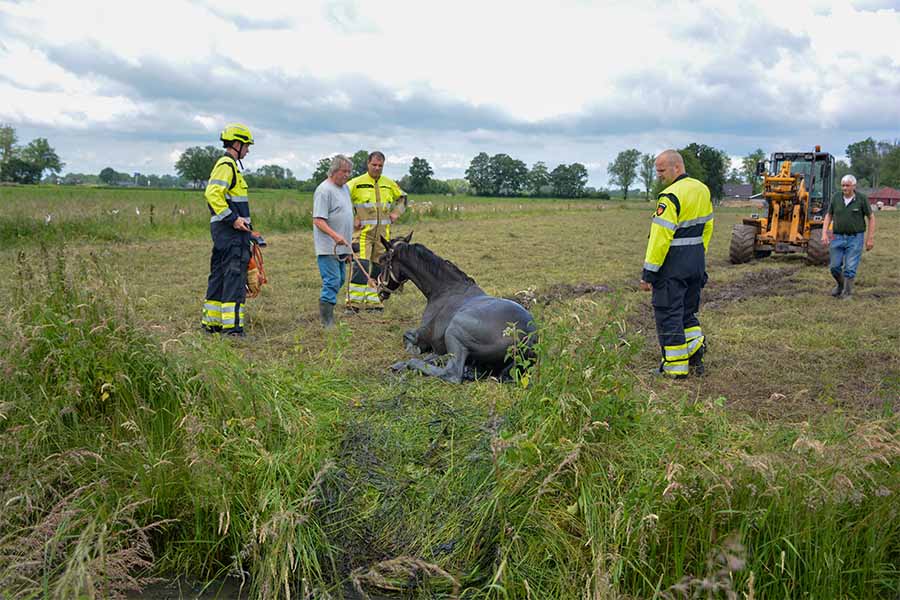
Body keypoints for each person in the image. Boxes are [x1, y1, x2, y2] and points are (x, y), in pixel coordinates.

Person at [639, 150, 714, 379]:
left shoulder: (670, 196)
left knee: (668, 313)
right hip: (696, 262)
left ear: (676, 168)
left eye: (661, 171)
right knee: (687, 312)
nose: (659, 176)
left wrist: (648, 273)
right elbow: (708, 227)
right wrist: (699, 256)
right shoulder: (702, 190)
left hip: (673, 266)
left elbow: (660, 238)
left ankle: (674, 369)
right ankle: (695, 354)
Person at [201, 123, 254, 336]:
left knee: (220, 275)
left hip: (227, 232)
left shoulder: (229, 165)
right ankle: (232, 330)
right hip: (231, 233)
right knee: (234, 276)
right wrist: (233, 219)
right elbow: (213, 193)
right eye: (246, 146)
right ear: (236, 143)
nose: (248, 150)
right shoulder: (227, 164)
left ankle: (213, 323)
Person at [347, 151, 407, 310]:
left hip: (383, 236)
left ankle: (374, 302)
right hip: (362, 235)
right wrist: (353, 216)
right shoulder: (356, 183)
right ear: (368, 164)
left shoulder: (389, 183)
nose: (377, 168)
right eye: (374, 165)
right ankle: (353, 304)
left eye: (380, 166)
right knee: (362, 267)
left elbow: (403, 199)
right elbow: (341, 200)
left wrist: (396, 213)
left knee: (379, 269)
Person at [313, 155, 354, 328]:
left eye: (349, 172)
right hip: (329, 247)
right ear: (333, 171)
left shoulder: (344, 189)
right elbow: (318, 220)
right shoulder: (324, 191)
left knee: (340, 279)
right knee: (332, 280)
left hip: (343, 247)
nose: (347, 175)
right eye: (344, 171)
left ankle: (329, 313)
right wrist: (335, 236)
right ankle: (326, 321)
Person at [821, 174, 875, 299]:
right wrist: (824, 233)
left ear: (854, 186)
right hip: (837, 237)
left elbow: (871, 217)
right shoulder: (836, 198)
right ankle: (840, 285)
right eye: (843, 185)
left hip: (855, 238)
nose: (844, 188)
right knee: (834, 267)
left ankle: (847, 293)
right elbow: (829, 216)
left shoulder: (861, 199)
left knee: (850, 267)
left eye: (847, 185)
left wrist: (870, 238)